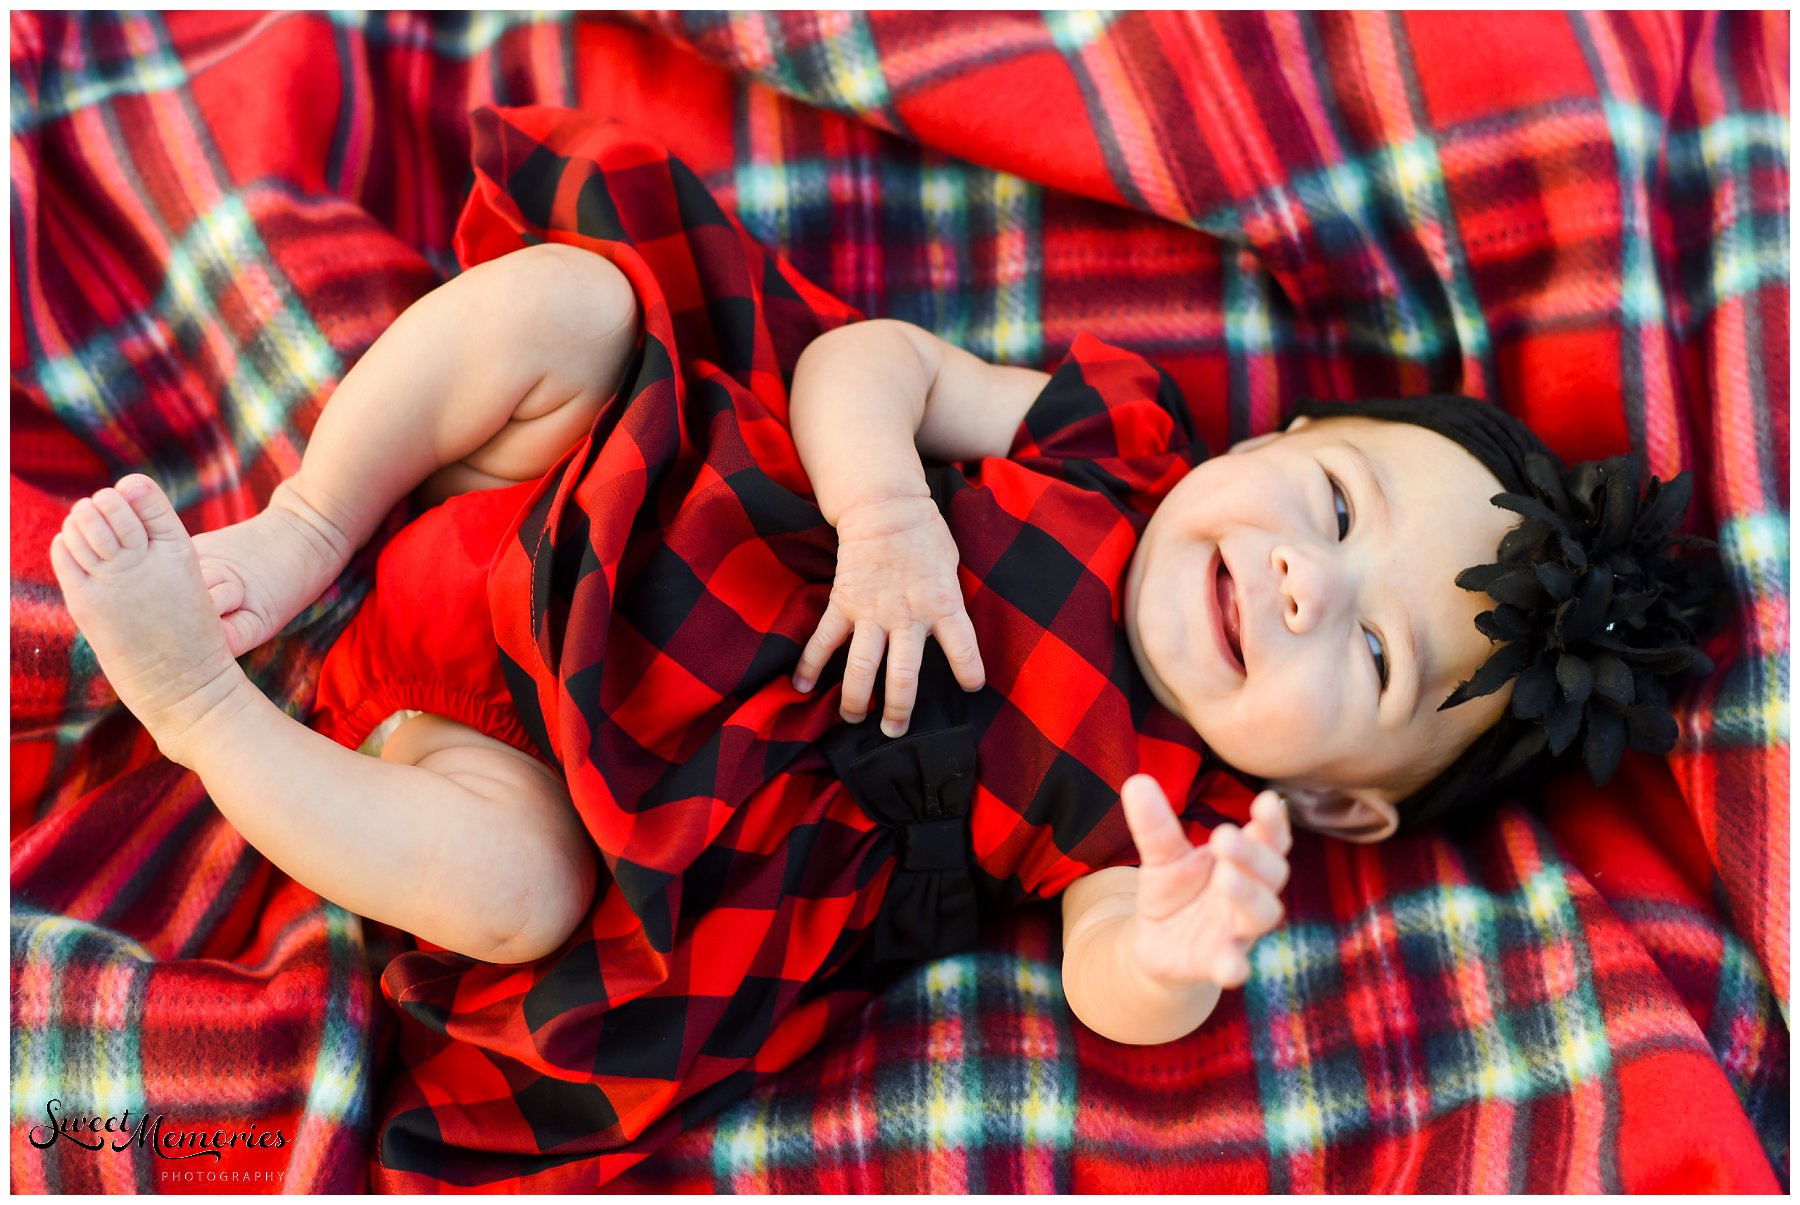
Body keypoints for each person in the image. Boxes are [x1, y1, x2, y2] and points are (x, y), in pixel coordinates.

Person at [47, 129, 1712, 1187]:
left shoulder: (1169, 807)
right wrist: (886, 510)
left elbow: (1105, 976)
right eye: (1334, 505)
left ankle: (207, 710)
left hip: (588, 788)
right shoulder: (1103, 440)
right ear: (1279, 428)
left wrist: (1184, 948)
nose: (1298, 582)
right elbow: (868, 362)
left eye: (1368, 655)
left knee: (521, 893)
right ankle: (310, 527)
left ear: (1346, 804)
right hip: (587, 499)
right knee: (564, 303)